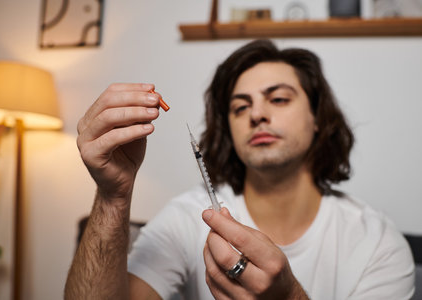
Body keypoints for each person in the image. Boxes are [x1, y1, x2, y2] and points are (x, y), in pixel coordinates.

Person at [65, 39, 415, 299]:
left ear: (317, 118)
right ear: (229, 131)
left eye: (278, 99)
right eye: (240, 106)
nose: (256, 114)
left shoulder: (377, 243)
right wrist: (113, 197)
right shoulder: (188, 218)